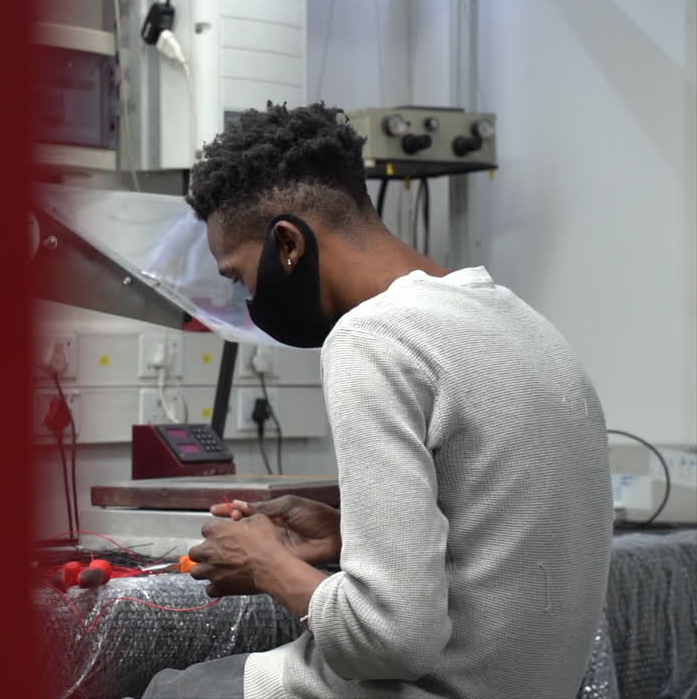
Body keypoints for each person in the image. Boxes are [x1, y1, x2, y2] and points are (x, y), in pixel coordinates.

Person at [137, 103, 613, 699]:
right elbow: (506, 542)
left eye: (239, 275)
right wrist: (346, 538)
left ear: (287, 245)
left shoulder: (374, 337)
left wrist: (268, 564)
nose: (248, 297)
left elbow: (390, 638)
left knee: (165, 688)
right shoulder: (525, 324)